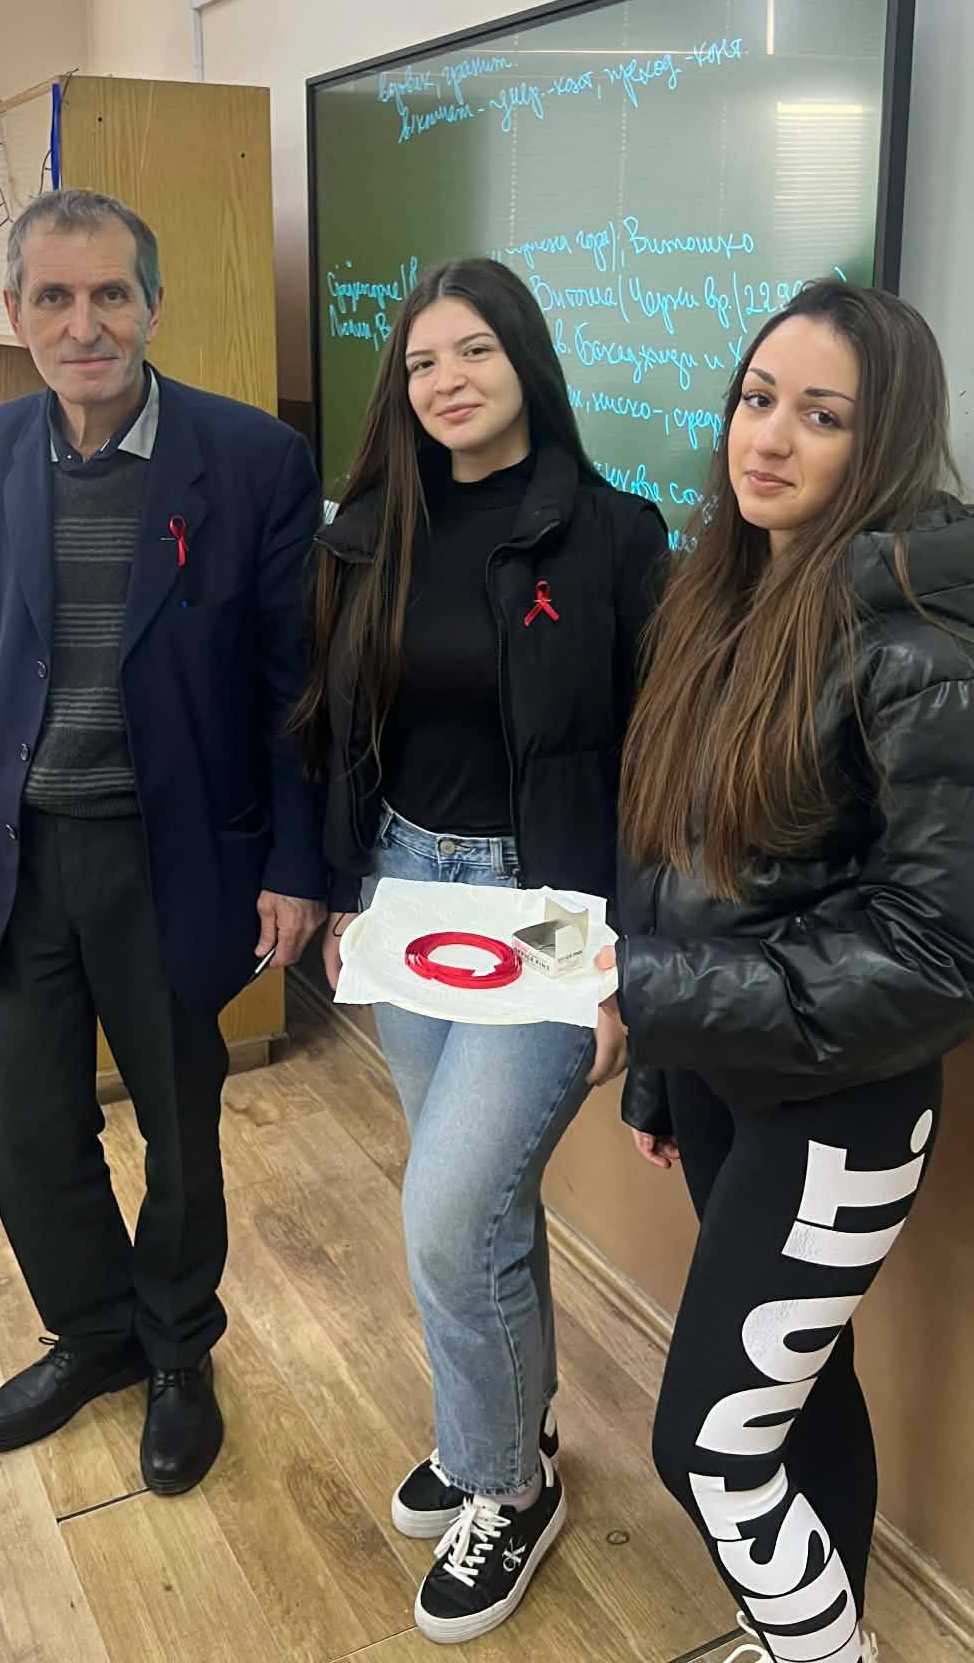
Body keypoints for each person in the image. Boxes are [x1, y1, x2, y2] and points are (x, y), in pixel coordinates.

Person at [605, 283, 974, 1663]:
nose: (770, 438)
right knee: (798, 1401)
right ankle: (813, 1626)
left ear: (888, 440)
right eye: (756, 399)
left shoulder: (935, 664)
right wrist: (665, 1069)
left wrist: (650, 1002)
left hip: (838, 1115)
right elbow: (690, 862)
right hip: (730, 1080)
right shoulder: (727, 602)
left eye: (822, 415)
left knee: (710, 1448)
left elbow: (939, 955)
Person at [0, 188, 325, 1495]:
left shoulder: (251, 460)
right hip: (16, 854)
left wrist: (295, 864)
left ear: (152, 304)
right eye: (53, 297)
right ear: (18, 311)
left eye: (108, 295)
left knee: (180, 1131)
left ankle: (179, 1349)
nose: (82, 325)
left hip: (174, 857)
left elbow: (294, 687)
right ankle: (95, 1335)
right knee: (31, 1130)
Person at [296, 257, 670, 1645]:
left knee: (449, 1213)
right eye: (421, 363)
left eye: (474, 353)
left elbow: (656, 764)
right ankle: (503, 1429)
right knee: (483, 1214)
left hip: (548, 912)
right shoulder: (367, 534)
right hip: (408, 894)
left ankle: (506, 1486)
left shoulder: (613, 535)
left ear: (526, 363)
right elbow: (340, 731)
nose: (446, 382)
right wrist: (346, 891)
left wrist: (624, 956)